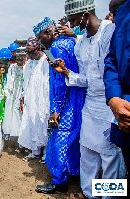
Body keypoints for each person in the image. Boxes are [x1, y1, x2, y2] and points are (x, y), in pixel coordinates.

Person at [51, 1, 126, 198]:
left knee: (111, 157)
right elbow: (85, 80)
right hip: (90, 106)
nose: (72, 24)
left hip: (111, 104)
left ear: (86, 14)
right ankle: (89, 193)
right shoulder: (81, 44)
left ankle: (110, 196)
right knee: (87, 154)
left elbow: (118, 72)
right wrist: (67, 73)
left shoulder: (111, 31)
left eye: (75, 20)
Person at [33, 17, 86, 194]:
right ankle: (74, 177)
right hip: (79, 99)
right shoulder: (71, 41)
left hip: (67, 103)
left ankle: (60, 181)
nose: (40, 44)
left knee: (59, 141)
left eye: (40, 39)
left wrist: (56, 109)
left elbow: (60, 82)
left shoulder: (56, 48)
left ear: (48, 33)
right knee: (73, 141)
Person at [104, 0, 130, 183]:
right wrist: (113, 98)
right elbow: (111, 59)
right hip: (118, 109)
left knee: (110, 159)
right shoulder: (124, 13)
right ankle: (94, 193)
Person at [18, 37, 49, 163]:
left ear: (39, 48)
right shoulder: (28, 65)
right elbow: (26, 84)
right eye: (27, 52)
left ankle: (46, 153)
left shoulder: (46, 61)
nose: (29, 55)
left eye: (31, 51)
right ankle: (35, 151)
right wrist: (23, 99)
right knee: (32, 122)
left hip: (43, 99)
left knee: (44, 122)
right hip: (31, 100)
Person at [2, 46, 25, 148]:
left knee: (21, 118)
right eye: (18, 59)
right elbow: (9, 82)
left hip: (23, 96)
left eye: (22, 59)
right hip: (12, 95)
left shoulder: (27, 67)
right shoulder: (12, 68)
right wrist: (6, 93)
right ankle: (14, 143)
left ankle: (23, 143)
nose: (20, 61)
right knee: (12, 117)